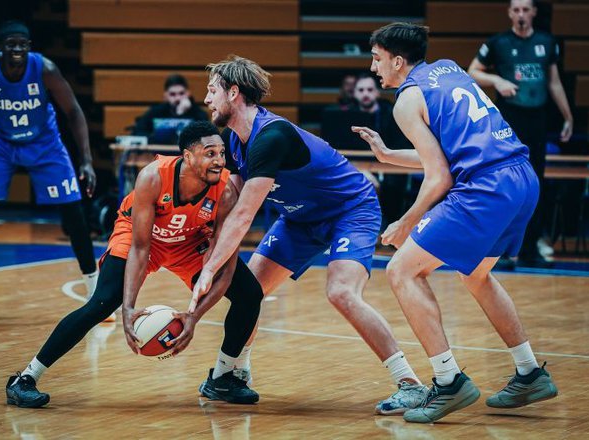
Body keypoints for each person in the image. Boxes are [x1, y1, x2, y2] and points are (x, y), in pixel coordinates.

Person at [191, 55, 429, 415]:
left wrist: (210, 269)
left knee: (341, 292)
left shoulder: (271, 136)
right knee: (250, 293)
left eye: (212, 91)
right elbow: (230, 200)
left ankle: (410, 383)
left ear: (234, 93)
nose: (207, 99)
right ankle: (230, 375)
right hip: (300, 218)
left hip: (350, 209)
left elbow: (244, 216)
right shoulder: (233, 139)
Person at [353, 22, 558, 424]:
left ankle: (448, 382)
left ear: (397, 60)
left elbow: (440, 177)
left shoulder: (406, 102)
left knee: (402, 271)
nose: (373, 68)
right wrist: (389, 155)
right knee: (477, 276)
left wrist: (406, 222)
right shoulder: (448, 68)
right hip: (520, 177)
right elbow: (451, 155)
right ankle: (530, 372)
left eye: (376, 59)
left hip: (486, 186)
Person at [5, 121, 264, 408]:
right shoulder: (153, 177)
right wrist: (127, 308)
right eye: (210, 153)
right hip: (143, 236)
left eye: (221, 154)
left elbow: (224, 267)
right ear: (187, 157)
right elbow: (141, 248)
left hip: (189, 242)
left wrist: (193, 316)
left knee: (249, 293)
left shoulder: (226, 192)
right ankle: (25, 379)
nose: (219, 161)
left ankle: (223, 377)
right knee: (103, 303)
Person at [0, 21, 98, 323]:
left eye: (21, 44)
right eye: (10, 44)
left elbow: (74, 111)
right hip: (1, 143)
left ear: (29, 47)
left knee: (73, 213)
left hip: (45, 143)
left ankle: (94, 294)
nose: (16, 50)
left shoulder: (45, 69)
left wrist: (86, 160)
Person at [468, 0, 574, 267]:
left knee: (535, 183)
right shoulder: (498, 43)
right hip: (508, 121)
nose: (521, 14)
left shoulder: (547, 43)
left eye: (526, 9)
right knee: (507, 184)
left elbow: (554, 82)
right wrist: (498, 80)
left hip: (537, 120)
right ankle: (500, 250)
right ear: (509, 13)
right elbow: (472, 71)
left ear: (534, 12)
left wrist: (567, 116)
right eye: (516, 10)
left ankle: (530, 248)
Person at [351, 73, 414, 229]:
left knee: (394, 186)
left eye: (369, 90)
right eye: (361, 90)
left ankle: (391, 226)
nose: (365, 94)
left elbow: (400, 144)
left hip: (391, 165)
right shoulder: (348, 115)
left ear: (377, 93)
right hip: (359, 164)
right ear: (354, 93)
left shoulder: (393, 113)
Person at [132, 74, 208, 141]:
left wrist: (181, 114)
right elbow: (138, 132)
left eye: (181, 93)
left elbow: (204, 136)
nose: (177, 98)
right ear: (165, 96)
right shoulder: (156, 112)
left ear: (188, 94)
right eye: (172, 94)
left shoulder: (198, 113)